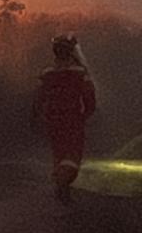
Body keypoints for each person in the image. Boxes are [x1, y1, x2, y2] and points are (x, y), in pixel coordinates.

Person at [33, 35, 97, 204]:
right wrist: (85, 115)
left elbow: (38, 98)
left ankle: (61, 185)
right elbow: (90, 98)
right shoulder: (80, 73)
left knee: (59, 153)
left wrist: (39, 116)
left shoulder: (47, 73)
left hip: (53, 120)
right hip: (72, 118)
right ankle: (63, 185)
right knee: (73, 154)